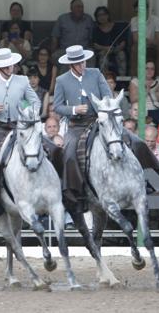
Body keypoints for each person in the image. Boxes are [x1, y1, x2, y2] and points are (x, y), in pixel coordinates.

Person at [0, 48, 41, 218]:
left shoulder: (23, 80)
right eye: (7, 65)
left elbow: (35, 102)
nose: (11, 67)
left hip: (20, 127)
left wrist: (30, 113)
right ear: (0, 67)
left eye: (11, 64)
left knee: (47, 148)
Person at [53, 45, 112, 212]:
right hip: (77, 125)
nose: (82, 66)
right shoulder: (61, 80)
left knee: (125, 139)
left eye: (83, 62)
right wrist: (73, 109)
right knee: (69, 153)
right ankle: (75, 192)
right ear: (71, 65)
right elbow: (57, 106)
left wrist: (103, 107)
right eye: (78, 63)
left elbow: (107, 94)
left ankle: (141, 180)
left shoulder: (95, 73)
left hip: (98, 121)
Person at [51, 0, 94, 66]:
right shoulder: (62, 19)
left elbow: (92, 38)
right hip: (65, 51)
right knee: (55, 56)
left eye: (81, 7)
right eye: (77, 6)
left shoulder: (88, 19)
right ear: (71, 8)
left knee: (92, 55)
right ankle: (66, 75)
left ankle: (86, 76)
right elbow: (55, 37)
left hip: (83, 50)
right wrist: (53, 50)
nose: (80, 9)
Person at [130, 0, 159, 76]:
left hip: (153, 45)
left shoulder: (156, 20)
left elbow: (158, 39)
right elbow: (135, 39)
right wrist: (147, 41)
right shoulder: (133, 20)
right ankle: (134, 77)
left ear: (147, 9)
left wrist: (146, 41)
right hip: (140, 45)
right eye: (137, 11)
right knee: (134, 49)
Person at [92, 6, 127, 76]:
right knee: (103, 56)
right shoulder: (96, 30)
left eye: (103, 14)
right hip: (103, 50)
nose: (102, 17)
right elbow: (95, 45)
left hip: (116, 49)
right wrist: (106, 48)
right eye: (99, 15)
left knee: (121, 54)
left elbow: (123, 42)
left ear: (108, 15)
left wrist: (117, 48)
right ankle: (104, 79)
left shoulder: (116, 27)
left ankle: (122, 79)